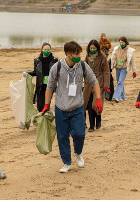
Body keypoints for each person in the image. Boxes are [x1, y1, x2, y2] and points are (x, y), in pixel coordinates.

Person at [42, 41, 103, 173]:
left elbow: (94, 81)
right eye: (76, 54)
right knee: (62, 136)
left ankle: (78, 153)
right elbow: (50, 87)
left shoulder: (82, 65)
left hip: (77, 106)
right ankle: (66, 162)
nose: (79, 56)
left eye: (80, 54)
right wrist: (46, 105)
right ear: (68, 54)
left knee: (79, 133)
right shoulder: (57, 68)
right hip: (61, 107)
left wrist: (98, 99)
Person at [83, 40, 110, 132]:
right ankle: (91, 126)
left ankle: (98, 120)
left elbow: (106, 71)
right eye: (91, 48)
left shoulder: (102, 57)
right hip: (88, 84)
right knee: (88, 104)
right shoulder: (87, 57)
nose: (92, 50)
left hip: (99, 82)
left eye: (94, 48)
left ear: (97, 48)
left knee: (96, 104)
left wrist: (106, 85)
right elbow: (82, 68)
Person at [28, 43, 58, 112]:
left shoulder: (54, 60)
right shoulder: (37, 61)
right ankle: (42, 119)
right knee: (40, 106)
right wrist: (27, 74)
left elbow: (57, 73)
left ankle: (45, 120)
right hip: (40, 86)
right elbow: (35, 72)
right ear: (42, 50)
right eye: (45, 49)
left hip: (50, 86)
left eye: (48, 49)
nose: (46, 51)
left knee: (46, 105)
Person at [111, 36, 137, 103]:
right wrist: (111, 67)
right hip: (117, 67)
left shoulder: (129, 51)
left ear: (125, 42)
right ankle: (123, 96)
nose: (121, 44)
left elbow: (132, 61)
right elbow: (113, 58)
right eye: (120, 42)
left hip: (124, 68)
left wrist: (134, 71)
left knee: (120, 82)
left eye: (122, 42)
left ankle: (116, 97)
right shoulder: (116, 49)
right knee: (119, 82)